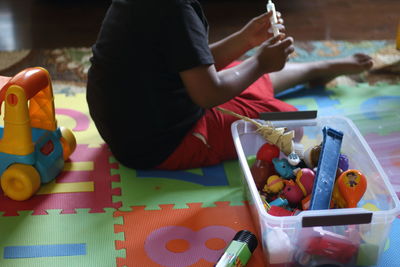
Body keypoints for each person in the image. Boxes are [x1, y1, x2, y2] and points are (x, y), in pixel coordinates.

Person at [87, 0, 373, 170]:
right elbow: (208, 93)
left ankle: (316, 68)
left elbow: (190, 60)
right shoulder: (174, 9)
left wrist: (245, 40)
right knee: (288, 122)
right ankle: (310, 71)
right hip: (161, 143)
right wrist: (260, 61)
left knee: (241, 75)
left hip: (136, 120)